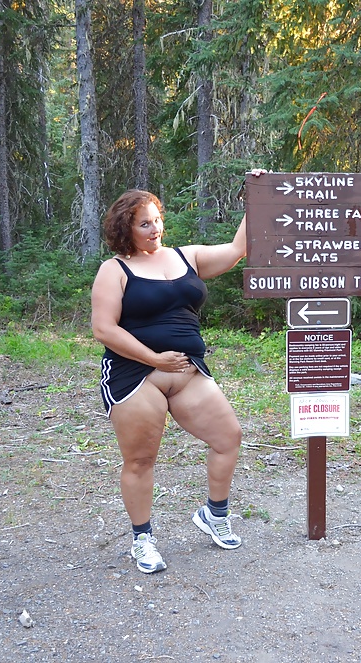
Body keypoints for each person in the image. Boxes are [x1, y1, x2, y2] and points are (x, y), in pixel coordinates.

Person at [91, 178, 258, 573]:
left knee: (227, 437)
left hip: (187, 371)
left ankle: (214, 515)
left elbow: (238, 249)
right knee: (141, 460)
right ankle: (143, 539)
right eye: (144, 224)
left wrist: (257, 198)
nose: (155, 230)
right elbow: (104, 329)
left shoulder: (187, 257)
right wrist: (154, 358)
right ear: (125, 229)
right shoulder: (114, 270)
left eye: (157, 221)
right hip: (135, 375)